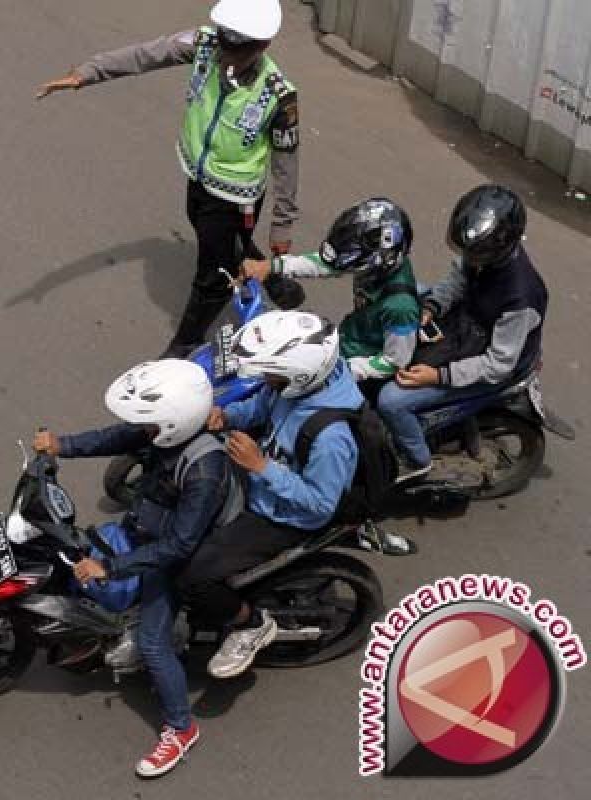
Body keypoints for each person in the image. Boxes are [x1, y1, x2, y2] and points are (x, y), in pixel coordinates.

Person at [36, 0, 300, 354]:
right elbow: (146, 55)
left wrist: (282, 225)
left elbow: (287, 164)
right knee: (210, 231)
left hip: (236, 196)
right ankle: (270, 273)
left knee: (213, 276)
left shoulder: (279, 96)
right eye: (225, 43)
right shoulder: (204, 44)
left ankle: (187, 340)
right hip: (197, 175)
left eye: (238, 49)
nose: (227, 54)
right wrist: (88, 73)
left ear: (263, 45)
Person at [34, 359, 241, 779]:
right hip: (146, 527)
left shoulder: (205, 469)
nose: (139, 429)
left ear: (173, 422)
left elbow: (179, 545)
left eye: (147, 423)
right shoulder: (165, 433)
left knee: (152, 643)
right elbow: (117, 436)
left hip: (174, 556)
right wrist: (62, 445)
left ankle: (181, 730)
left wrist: (110, 567)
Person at [180, 311, 362, 678]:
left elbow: (320, 504)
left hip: (281, 515)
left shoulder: (331, 440)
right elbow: (263, 405)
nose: (265, 379)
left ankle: (250, 625)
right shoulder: (300, 384)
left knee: (193, 576)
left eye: (271, 374)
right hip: (259, 477)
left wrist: (262, 466)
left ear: (298, 376)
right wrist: (229, 415)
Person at [379, 184, 547, 481]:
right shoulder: (479, 254)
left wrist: (437, 376)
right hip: (467, 325)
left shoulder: (521, 299)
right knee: (403, 296)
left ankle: (417, 461)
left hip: (489, 361)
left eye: (474, 255)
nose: (468, 259)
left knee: (391, 401)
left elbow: (497, 366)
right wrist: (431, 306)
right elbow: (455, 283)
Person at [243, 198, 420, 388]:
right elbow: (326, 264)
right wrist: (273, 266)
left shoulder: (400, 307)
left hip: (359, 362)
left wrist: (338, 371)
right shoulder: (376, 266)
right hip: (349, 337)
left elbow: (393, 362)